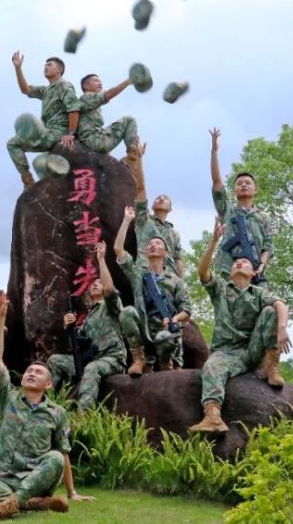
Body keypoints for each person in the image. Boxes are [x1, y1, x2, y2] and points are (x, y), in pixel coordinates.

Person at [0, 291, 95, 521]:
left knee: (53, 457)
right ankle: (31, 502)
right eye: (29, 371)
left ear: (49, 384)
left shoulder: (57, 413)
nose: (32, 373)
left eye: (38, 372)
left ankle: (6, 506)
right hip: (2, 477)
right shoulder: (9, 398)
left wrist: (72, 492)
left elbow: (63, 455)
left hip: (34, 477)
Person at [189, 219, 292, 434]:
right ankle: (213, 416)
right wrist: (213, 241)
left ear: (254, 273)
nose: (238, 263)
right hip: (225, 353)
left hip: (251, 351)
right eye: (236, 262)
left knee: (271, 311)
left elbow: (281, 304)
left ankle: (272, 366)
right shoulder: (220, 289)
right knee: (210, 367)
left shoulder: (258, 293)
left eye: (244, 262)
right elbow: (203, 273)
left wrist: (282, 328)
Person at [47, 242, 136, 410]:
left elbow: (109, 289)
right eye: (92, 283)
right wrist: (69, 329)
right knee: (55, 361)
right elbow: (77, 346)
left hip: (112, 359)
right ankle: (49, 403)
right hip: (90, 359)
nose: (95, 284)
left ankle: (83, 417)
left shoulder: (111, 307)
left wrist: (101, 259)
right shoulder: (88, 318)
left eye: (98, 282)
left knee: (91, 368)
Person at [115, 206, 191, 375]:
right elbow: (118, 250)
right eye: (150, 244)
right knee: (127, 312)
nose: (152, 245)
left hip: (166, 331)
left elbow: (186, 310)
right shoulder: (138, 274)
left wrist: (174, 319)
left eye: (158, 243)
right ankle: (139, 359)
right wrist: (127, 220)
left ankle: (166, 362)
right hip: (145, 330)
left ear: (165, 252)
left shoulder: (176, 281)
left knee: (165, 338)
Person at [7, 51, 80, 188]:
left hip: (57, 133)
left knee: (28, 122)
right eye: (45, 65)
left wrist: (71, 133)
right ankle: (27, 180)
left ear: (59, 70)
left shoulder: (64, 86)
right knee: (13, 143)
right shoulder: (46, 90)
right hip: (47, 134)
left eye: (50, 65)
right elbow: (26, 90)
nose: (45, 67)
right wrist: (18, 68)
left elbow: (73, 108)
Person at [209, 127, 274, 280]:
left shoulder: (264, 217)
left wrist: (262, 266)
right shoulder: (228, 210)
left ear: (256, 189)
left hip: (255, 271)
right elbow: (217, 182)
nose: (243, 185)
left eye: (247, 183)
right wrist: (214, 152)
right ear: (234, 190)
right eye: (239, 183)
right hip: (228, 270)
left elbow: (268, 246)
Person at [126, 139, 184, 277]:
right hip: (145, 273)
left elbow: (178, 258)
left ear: (170, 209)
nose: (161, 199)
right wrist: (139, 160)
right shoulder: (144, 220)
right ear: (152, 206)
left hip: (168, 278)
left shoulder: (173, 233)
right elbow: (140, 189)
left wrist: (181, 281)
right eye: (158, 198)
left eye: (165, 199)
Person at [76, 73, 139, 155]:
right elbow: (108, 94)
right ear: (86, 86)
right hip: (93, 141)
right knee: (129, 120)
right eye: (96, 81)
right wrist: (127, 82)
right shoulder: (86, 97)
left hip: (94, 139)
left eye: (100, 82)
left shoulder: (92, 104)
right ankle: (133, 153)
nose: (100, 83)